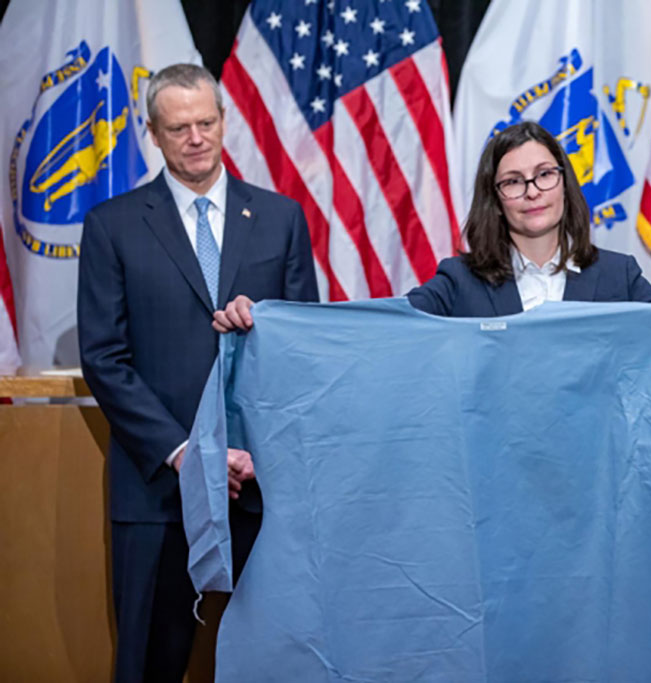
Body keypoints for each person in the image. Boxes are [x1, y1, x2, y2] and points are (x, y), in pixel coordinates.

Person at [77, 63, 319, 683]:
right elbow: (104, 357)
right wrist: (188, 453)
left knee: (278, 660)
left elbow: (303, 347)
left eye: (206, 122)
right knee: (151, 661)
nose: (196, 138)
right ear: (152, 132)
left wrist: (247, 450)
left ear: (223, 121)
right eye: (179, 126)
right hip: (160, 486)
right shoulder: (112, 225)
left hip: (261, 484)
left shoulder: (280, 217)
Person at [219, 122, 651, 402]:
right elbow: (377, 330)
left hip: (598, 501)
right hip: (494, 502)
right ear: (496, 197)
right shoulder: (459, 282)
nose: (532, 191)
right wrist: (267, 320)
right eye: (513, 181)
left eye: (545, 174)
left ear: (565, 182)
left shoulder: (617, 275)